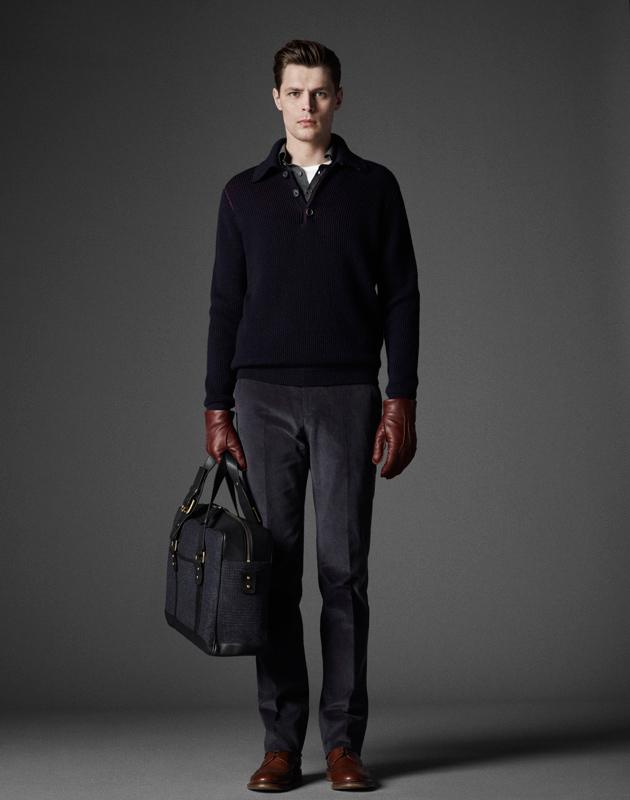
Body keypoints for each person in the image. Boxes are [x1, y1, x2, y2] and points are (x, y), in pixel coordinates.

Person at [203, 38, 420, 792]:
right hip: (262, 400)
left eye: (320, 91)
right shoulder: (243, 194)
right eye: (295, 92)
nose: (307, 105)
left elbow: (401, 295)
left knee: (344, 574)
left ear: (338, 98)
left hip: (347, 396)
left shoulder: (374, 187)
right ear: (276, 98)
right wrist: (217, 407)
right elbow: (225, 303)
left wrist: (400, 398)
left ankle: (343, 746)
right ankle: (281, 745)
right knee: (274, 574)